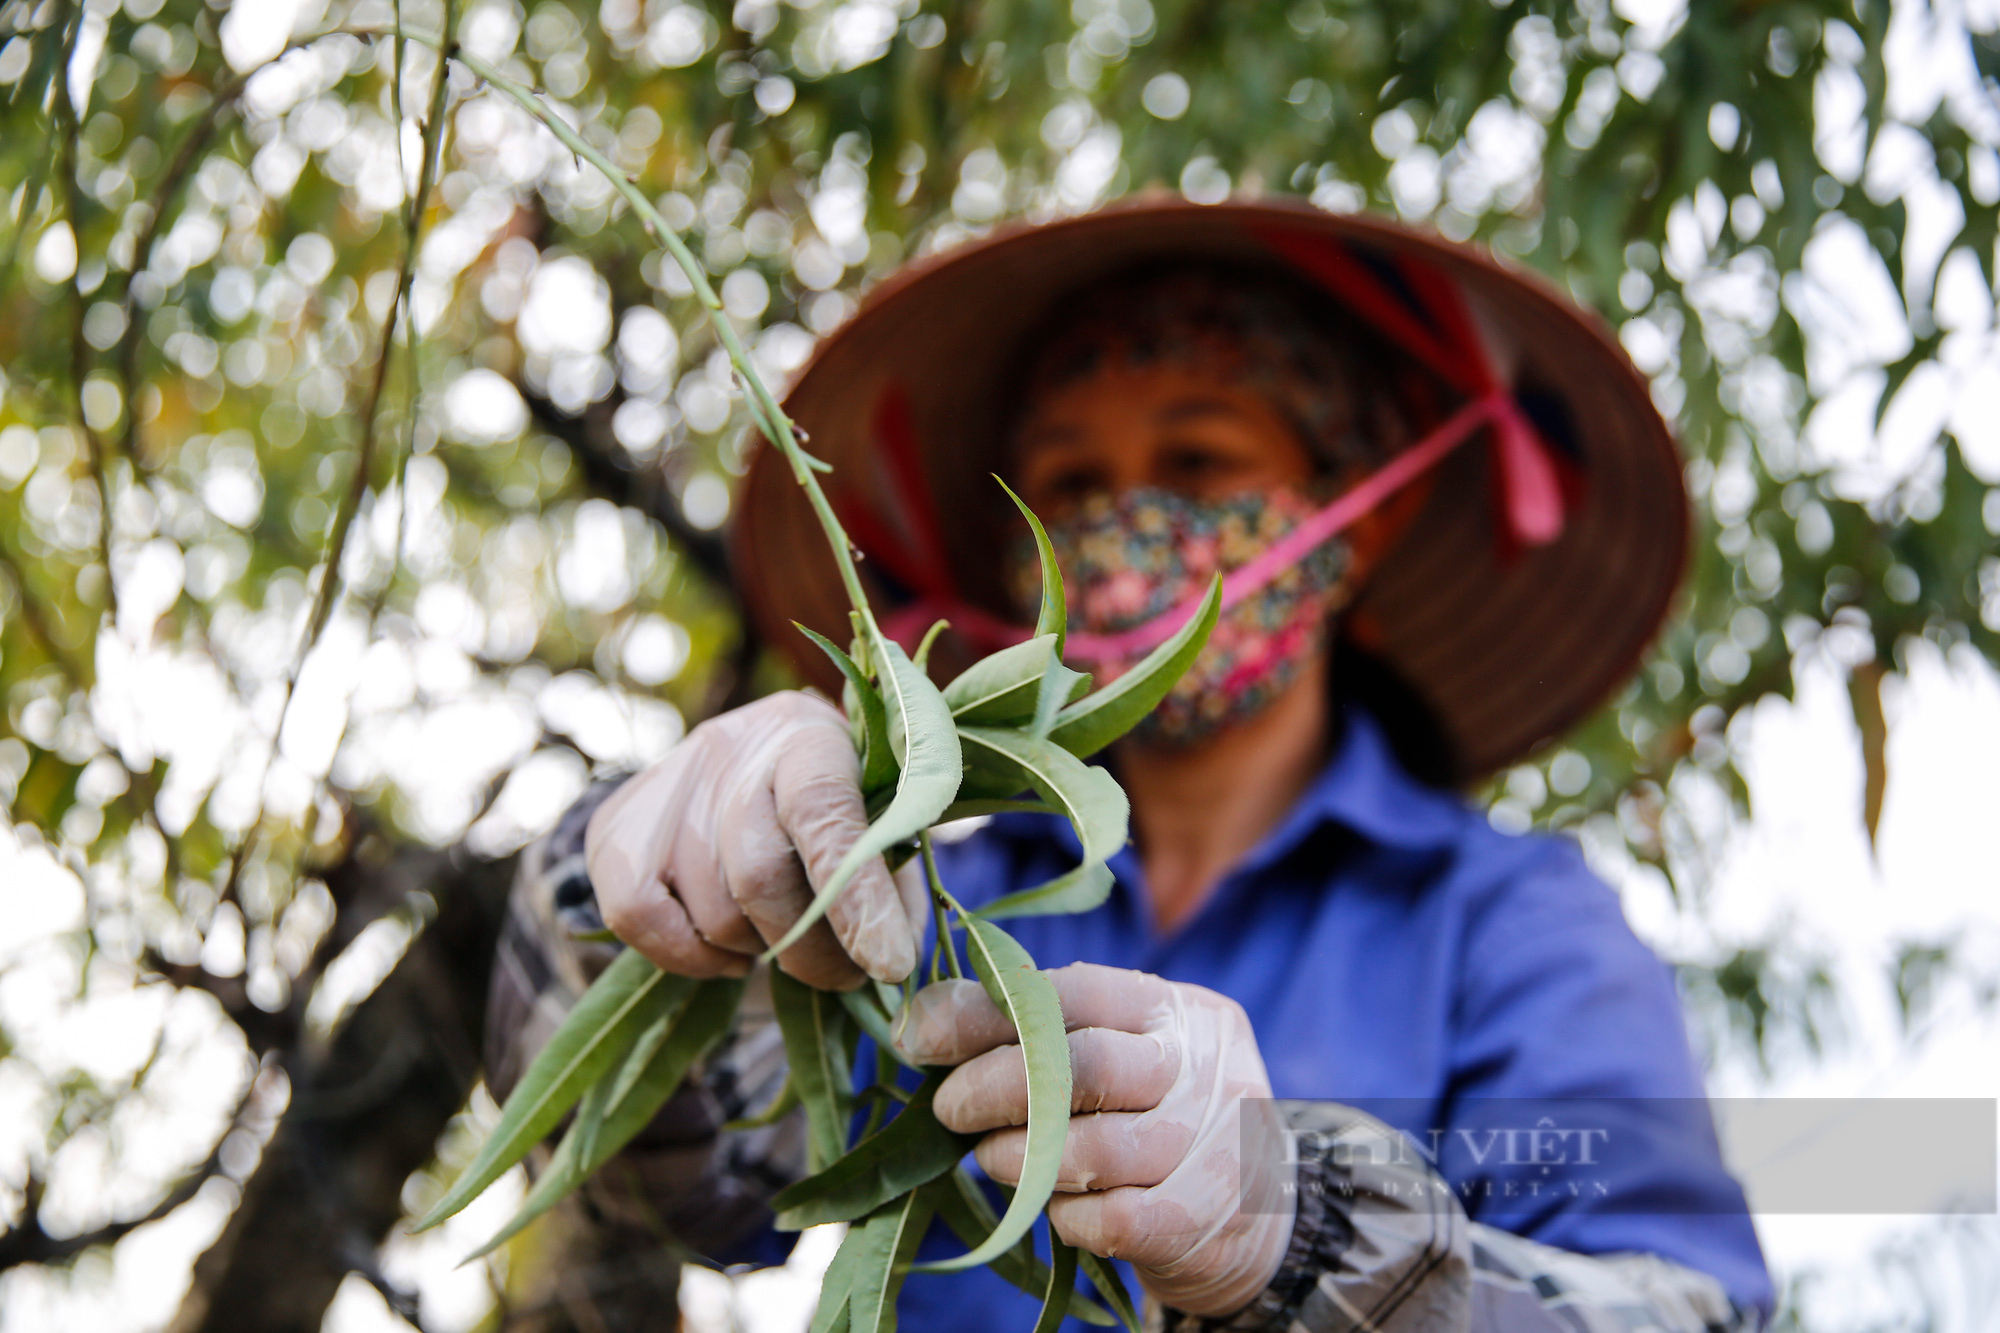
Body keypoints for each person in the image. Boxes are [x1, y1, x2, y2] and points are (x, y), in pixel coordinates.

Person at [485, 200, 1772, 1332]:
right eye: (1070, 483)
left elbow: (1680, 1312)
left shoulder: (1505, 926)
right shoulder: (928, 906)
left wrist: (1306, 1234)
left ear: (1356, 515)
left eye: (1200, 460)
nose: (1125, 528)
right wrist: (648, 901)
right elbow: (682, 1175)